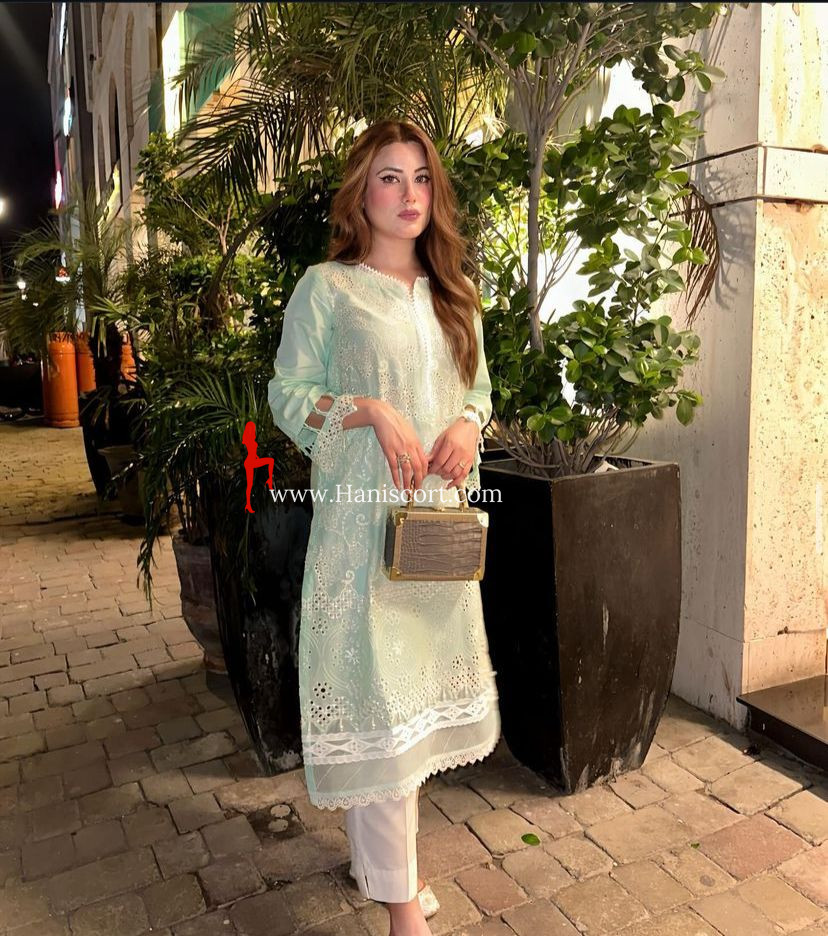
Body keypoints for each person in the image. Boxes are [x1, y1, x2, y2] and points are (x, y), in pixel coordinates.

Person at [268, 118, 501, 936]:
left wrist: (468, 426)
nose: (409, 195)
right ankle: (404, 911)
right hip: (361, 535)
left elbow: (479, 392)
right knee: (381, 708)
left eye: (421, 178)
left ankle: (384, 869)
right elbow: (288, 396)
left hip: (435, 533)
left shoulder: (452, 290)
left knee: (414, 712)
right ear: (360, 195)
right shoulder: (327, 289)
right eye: (390, 178)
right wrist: (368, 410)